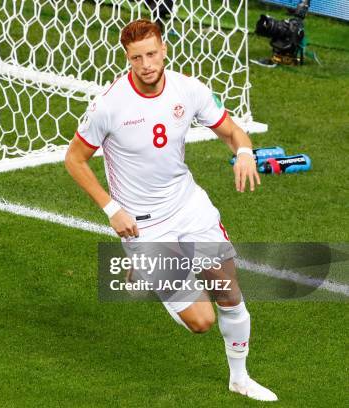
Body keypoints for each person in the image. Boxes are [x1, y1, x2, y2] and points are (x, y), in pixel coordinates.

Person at [64, 19, 278, 402]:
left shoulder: (188, 89)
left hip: (188, 206)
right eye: (136, 58)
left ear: (163, 50)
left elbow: (231, 130)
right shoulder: (109, 105)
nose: (145, 64)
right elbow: (74, 160)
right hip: (143, 226)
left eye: (150, 54)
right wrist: (112, 208)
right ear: (126, 58)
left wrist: (244, 151)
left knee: (229, 293)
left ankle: (240, 379)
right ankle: (146, 270)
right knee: (202, 322)